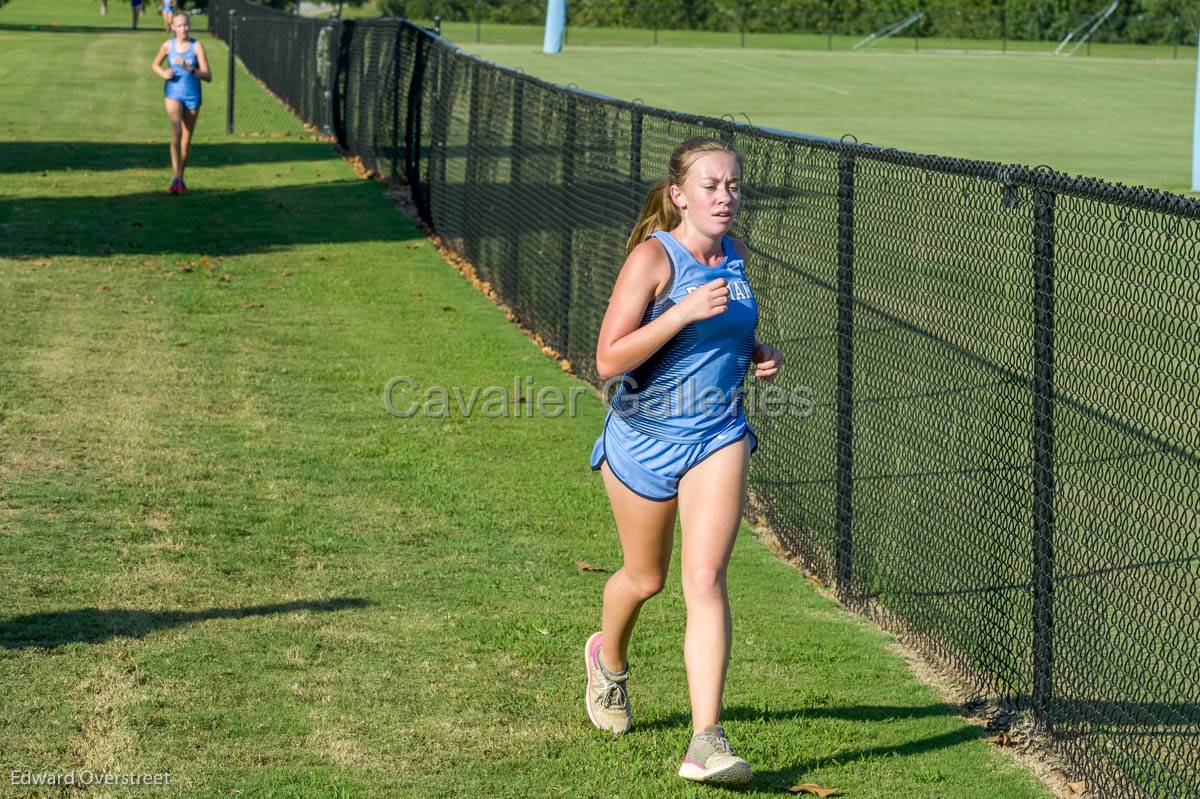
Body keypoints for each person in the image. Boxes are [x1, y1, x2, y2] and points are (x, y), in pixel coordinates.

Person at [585, 136, 784, 786]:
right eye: (711, 186)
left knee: (704, 576)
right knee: (646, 579)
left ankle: (707, 740)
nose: (725, 197)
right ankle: (607, 660)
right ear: (679, 195)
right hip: (642, 439)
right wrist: (684, 313)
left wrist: (754, 349)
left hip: (717, 435)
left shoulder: (734, 256)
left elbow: (728, 325)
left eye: (732, 185)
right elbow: (609, 359)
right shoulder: (653, 259)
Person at [150, 12, 211, 194]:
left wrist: (189, 68)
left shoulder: (197, 46)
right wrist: (164, 74)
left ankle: (180, 178)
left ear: (189, 26)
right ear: (173, 28)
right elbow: (154, 64)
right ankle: (176, 179)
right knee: (176, 130)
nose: (183, 29)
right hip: (173, 93)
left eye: (185, 25)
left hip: (192, 96)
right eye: (179, 26)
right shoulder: (168, 46)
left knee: (186, 140)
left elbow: (208, 76)